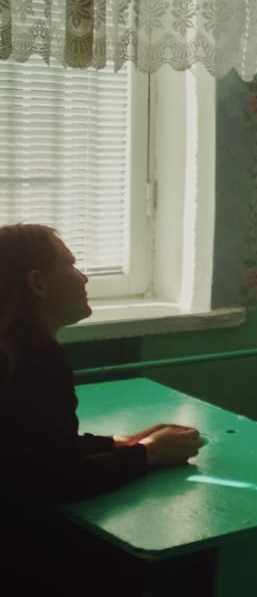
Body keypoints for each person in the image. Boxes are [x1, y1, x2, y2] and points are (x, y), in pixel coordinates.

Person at [0, 224, 204, 590]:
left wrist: (118, 442)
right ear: (37, 283)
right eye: (70, 265)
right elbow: (58, 479)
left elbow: (32, 448)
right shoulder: (35, 358)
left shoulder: (12, 348)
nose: (83, 277)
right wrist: (149, 454)